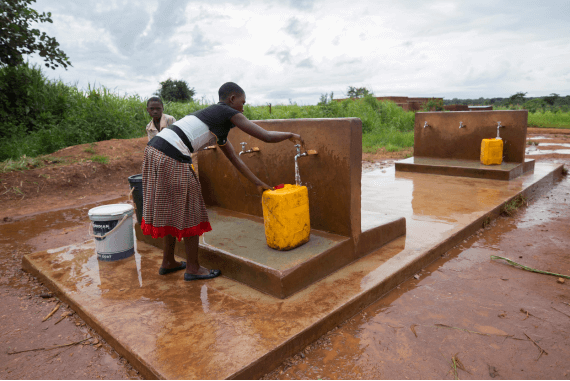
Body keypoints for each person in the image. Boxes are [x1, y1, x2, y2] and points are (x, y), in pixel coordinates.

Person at [141, 82, 304, 281]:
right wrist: (290, 135)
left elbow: (234, 157)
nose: (243, 108)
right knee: (190, 210)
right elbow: (266, 136)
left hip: (154, 151)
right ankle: (193, 268)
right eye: (242, 103)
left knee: (171, 208)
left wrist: (257, 182)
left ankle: (168, 262)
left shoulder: (214, 119)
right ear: (232, 99)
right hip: (172, 155)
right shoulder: (226, 111)